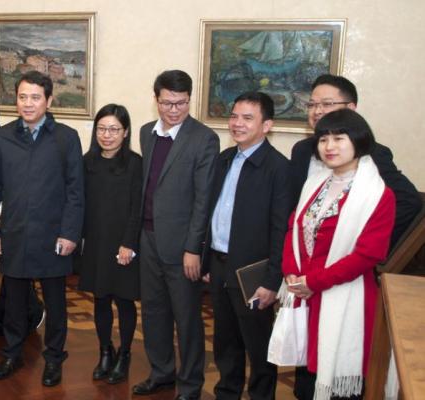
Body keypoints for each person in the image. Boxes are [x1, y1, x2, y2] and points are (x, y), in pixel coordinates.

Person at [283, 108, 395, 400]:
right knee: (306, 380)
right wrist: (291, 273)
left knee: (339, 387)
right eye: (323, 139)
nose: (329, 147)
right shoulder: (315, 182)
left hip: (344, 296)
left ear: (358, 141)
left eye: (339, 138)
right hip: (306, 295)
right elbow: (293, 229)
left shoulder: (377, 194)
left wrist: (314, 282)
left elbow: (367, 255)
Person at [0, 71, 84, 387]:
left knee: (55, 303)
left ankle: (54, 358)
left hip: (54, 236)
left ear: (49, 100)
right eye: (22, 96)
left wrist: (70, 233)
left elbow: (75, 191)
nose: (28, 103)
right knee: (13, 302)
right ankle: (12, 354)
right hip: (13, 233)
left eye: (35, 97)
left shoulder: (66, 138)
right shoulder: (3, 136)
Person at [132, 70, 219, 399]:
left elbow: (203, 200)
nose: (173, 109)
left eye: (181, 103)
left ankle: (191, 384)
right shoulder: (146, 133)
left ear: (189, 100)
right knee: (153, 312)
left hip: (183, 245)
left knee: (187, 319)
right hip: (149, 238)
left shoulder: (203, 139)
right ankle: (162, 372)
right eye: (167, 102)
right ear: (156, 99)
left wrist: (193, 248)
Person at [203, 92, 290, 400]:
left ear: (267, 125)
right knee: (225, 339)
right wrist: (206, 264)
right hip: (220, 264)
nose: (237, 124)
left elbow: (282, 229)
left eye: (247, 118)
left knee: (258, 343)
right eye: (234, 116)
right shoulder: (225, 159)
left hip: (253, 273)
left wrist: (271, 281)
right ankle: (227, 392)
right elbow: (211, 213)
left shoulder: (279, 168)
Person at [290, 74, 420, 249]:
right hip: (303, 250)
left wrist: (360, 237)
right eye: (312, 104)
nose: (317, 111)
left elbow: (409, 202)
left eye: (327, 104)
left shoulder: (371, 153)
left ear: (350, 109)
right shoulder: (301, 150)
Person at [78, 103, 143, 385]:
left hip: (123, 244)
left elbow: (137, 208)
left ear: (125, 132)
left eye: (114, 129)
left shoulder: (135, 163)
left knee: (125, 300)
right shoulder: (87, 162)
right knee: (100, 298)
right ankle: (105, 350)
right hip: (95, 242)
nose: (107, 135)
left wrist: (128, 243)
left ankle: (125, 353)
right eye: (102, 129)